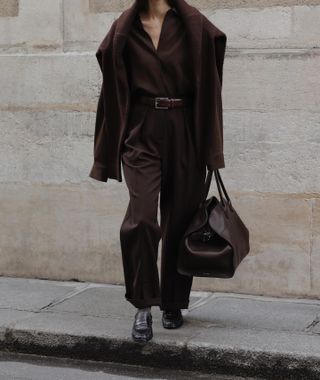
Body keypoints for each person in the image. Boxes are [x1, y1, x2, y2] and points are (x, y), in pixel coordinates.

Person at [89, 0, 227, 343]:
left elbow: (211, 80)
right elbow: (110, 73)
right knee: (142, 218)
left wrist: (210, 144)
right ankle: (142, 304)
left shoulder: (193, 24)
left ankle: (173, 302)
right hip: (141, 131)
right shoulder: (125, 27)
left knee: (180, 218)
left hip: (185, 128)